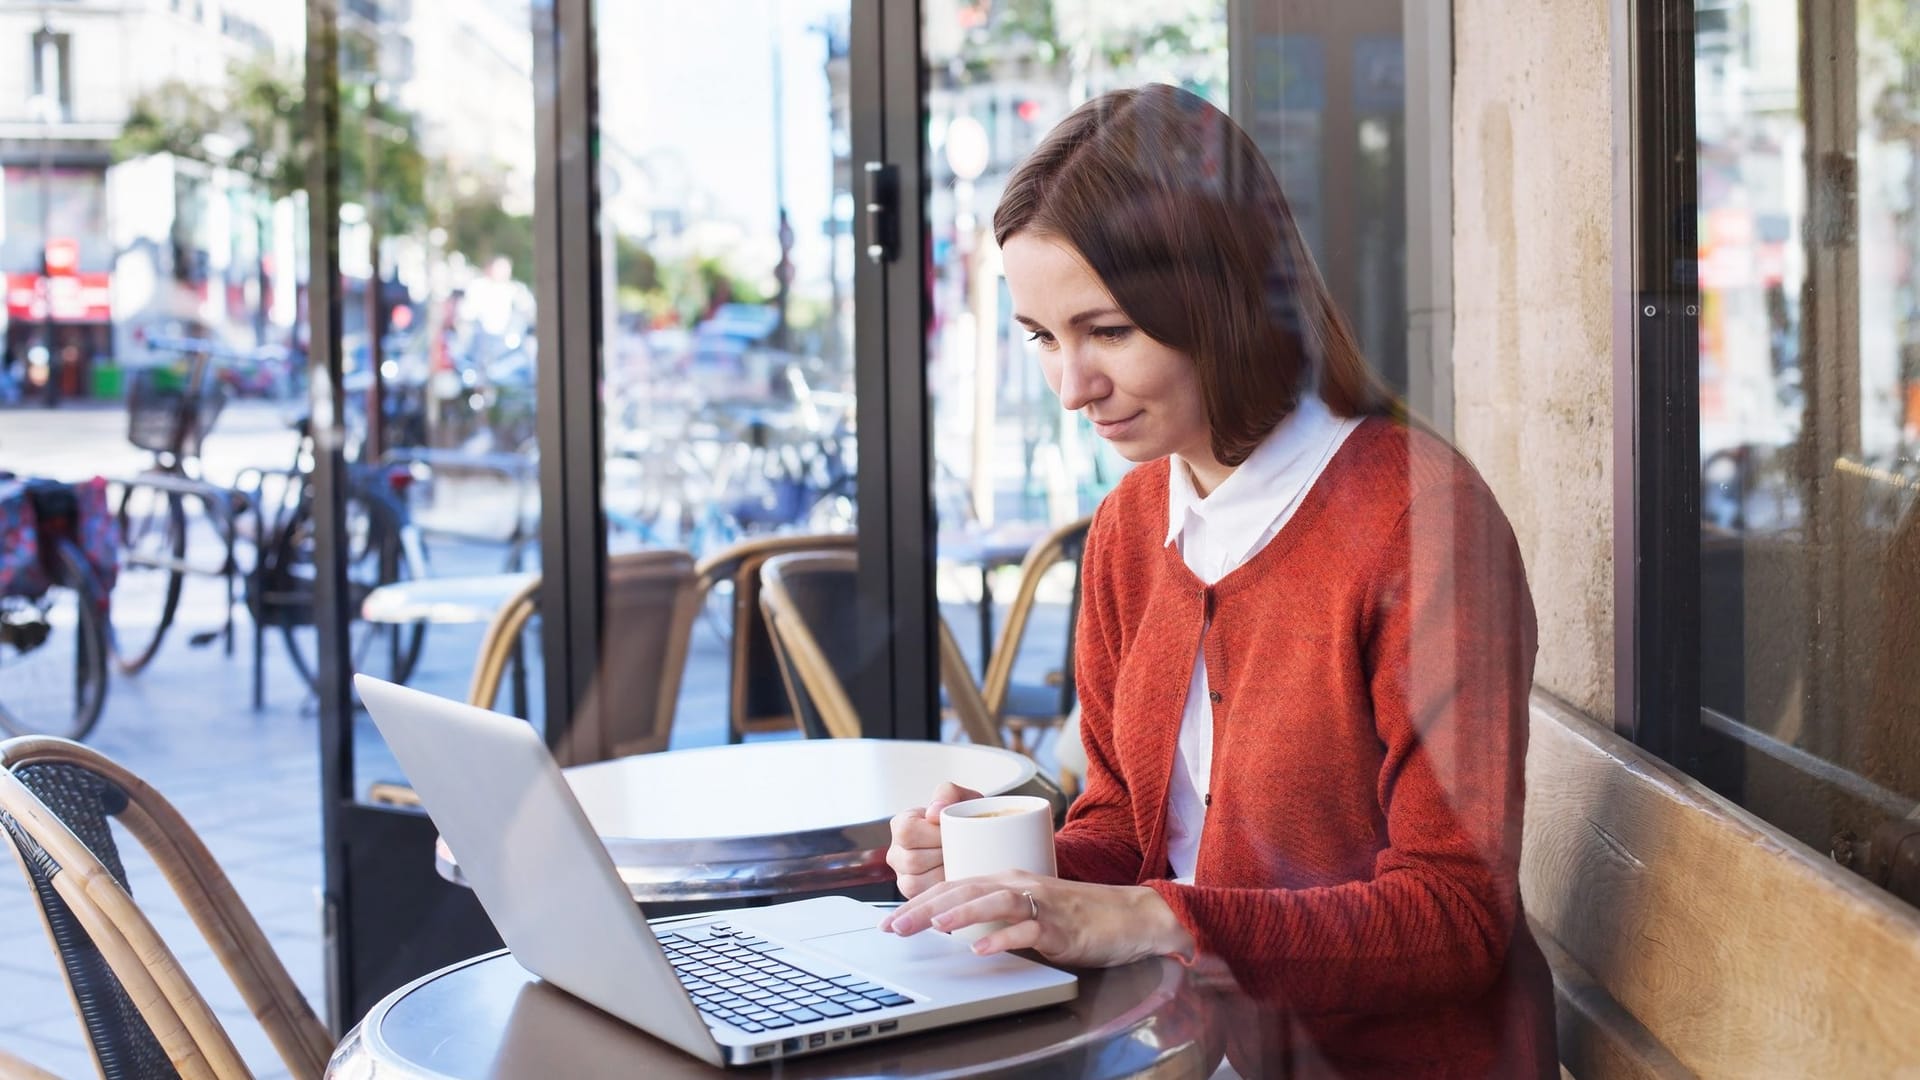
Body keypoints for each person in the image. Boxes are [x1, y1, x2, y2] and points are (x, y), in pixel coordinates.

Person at [880, 85, 1556, 1077]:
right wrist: (1006, 880)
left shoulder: (1419, 523)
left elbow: (1455, 918)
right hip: (1194, 1051)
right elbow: (1124, 830)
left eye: (1107, 331)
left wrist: (1154, 918)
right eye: (1042, 337)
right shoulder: (1130, 526)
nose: (1072, 386)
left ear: (1221, 295)